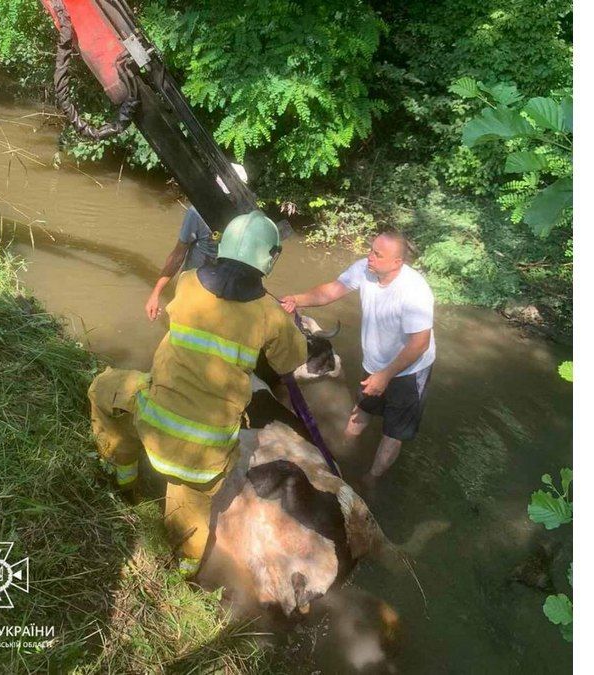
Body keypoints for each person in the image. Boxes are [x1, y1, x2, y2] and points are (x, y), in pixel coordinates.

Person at [89, 211, 308, 577]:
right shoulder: (271, 315)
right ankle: (185, 573)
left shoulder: (188, 282)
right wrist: (291, 323)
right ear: (270, 259)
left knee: (102, 389)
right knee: (188, 516)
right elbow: (292, 359)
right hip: (206, 453)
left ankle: (123, 478)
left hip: (153, 423)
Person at [279, 230, 435, 486]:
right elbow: (331, 290)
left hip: (410, 370)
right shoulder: (365, 269)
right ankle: (340, 454)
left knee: (393, 432)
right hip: (375, 362)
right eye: (371, 249)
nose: (369, 257)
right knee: (362, 408)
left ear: (397, 263)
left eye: (377, 254)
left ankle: (371, 479)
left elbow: (420, 343)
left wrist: (385, 376)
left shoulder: (414, 291)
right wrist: (298, 299)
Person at [145, 164, 248, 321]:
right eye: (227, 195)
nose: (230, 200)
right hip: (193, 285)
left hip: (224, 291)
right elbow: (178, 255)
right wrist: (155, 293)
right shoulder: (198, 213)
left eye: (233, 196)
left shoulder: (246, 217)